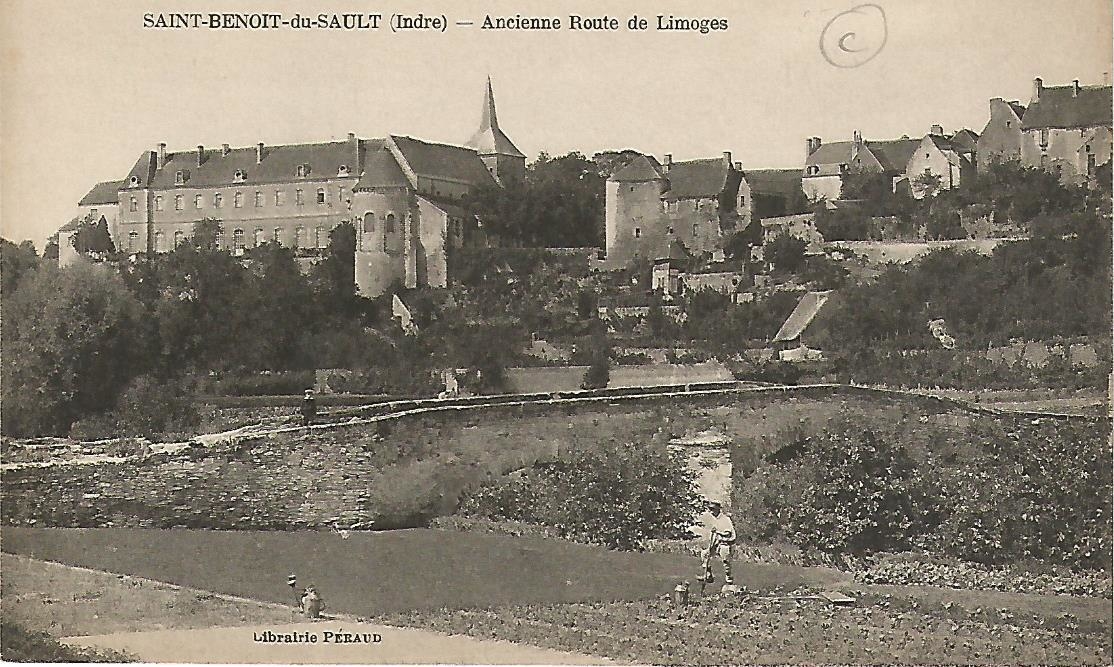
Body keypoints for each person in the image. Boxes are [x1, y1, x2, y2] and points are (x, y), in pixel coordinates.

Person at [701, 501, 736, 588]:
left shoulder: (725, 519)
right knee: (705, 554)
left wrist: (717, 532)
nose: (711, 512)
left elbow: (727, 533)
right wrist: (711, 546)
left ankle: (729, 582)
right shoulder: (715, 520)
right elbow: (715, 535)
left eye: (713, 509)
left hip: (727, 544)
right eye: (710, 509)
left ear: (718, 509)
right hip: (718, 543)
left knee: (726, 562)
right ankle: (708, 575)